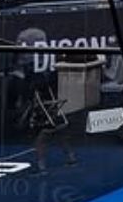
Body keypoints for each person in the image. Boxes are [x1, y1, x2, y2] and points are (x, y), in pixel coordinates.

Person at [16, 28, 77, 173]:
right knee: (57, 129)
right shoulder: (48, 57)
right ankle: (70, 156)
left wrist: (26, 98)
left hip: (44, 99)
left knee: (44, 135)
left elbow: (31, 83)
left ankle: (42, 164)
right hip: (49, 97)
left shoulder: (32, 63)